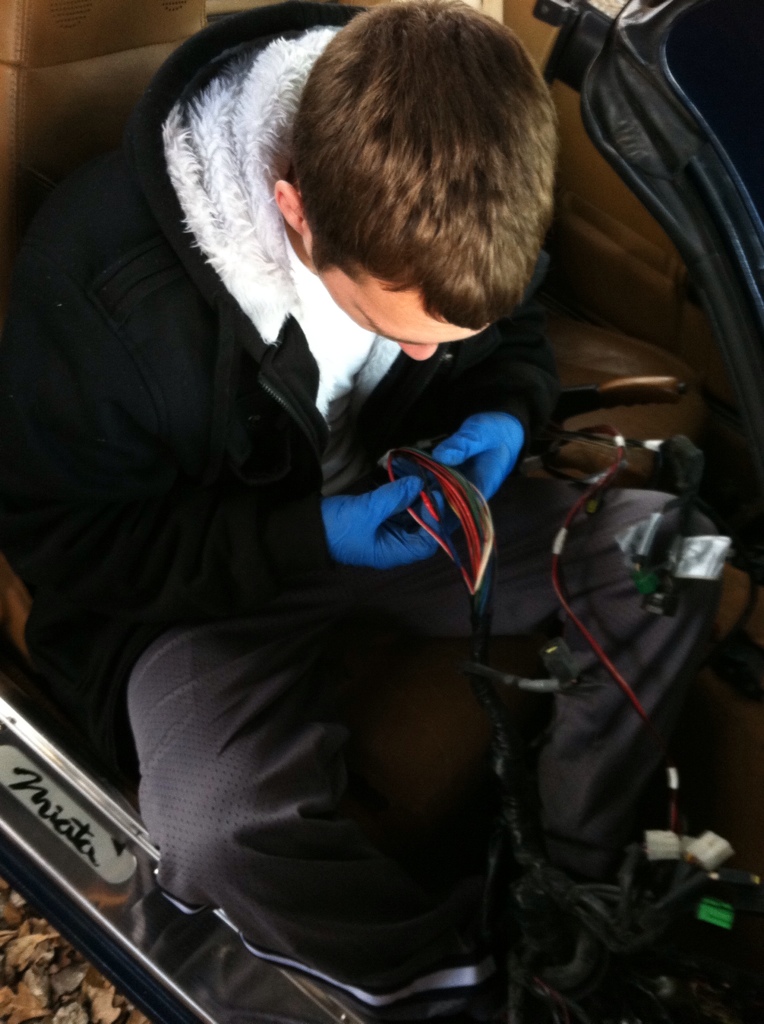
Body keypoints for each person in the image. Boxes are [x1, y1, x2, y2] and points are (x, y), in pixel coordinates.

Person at [0, 0, 720, 1017]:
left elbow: (507, 339)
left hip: (414, 515)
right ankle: (442, 985)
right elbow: (70, 543)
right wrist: (310, 536)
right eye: (399, 328)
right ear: (294, 210)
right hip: (202, 592)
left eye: (445, 336)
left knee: (673, 553)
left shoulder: (464, 169)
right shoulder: (104, 291)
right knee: (216, 829)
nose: (424, 353)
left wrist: (503, 414)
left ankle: (570, 895)